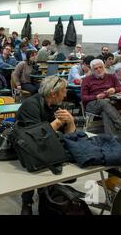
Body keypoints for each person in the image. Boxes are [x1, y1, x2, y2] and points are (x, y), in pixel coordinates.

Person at [16, 75, 76, 215]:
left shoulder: (56, 105)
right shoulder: (30, 105)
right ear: (53, 93)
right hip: (26, 148)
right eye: (63, 91)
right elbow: (34, 138)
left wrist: (71, 122)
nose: (66, 93)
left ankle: (46, 195)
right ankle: (27, 201)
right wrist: (58, 122)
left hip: (48, 146)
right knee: (33, 168)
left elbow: (70, 137)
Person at [80, 59, 121, 141]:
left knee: (106, 111)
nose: (98, 70)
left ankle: (112, 139)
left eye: (100, 67)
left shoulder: (111, 77)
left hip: (108, 103)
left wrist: (114, 90)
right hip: (92, 104)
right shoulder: (87, 80)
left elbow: (120, 89)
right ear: (92, 70)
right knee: (105, 102)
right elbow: (83, 97)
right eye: (96, 68)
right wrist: (96, 97)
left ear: (103, 67)